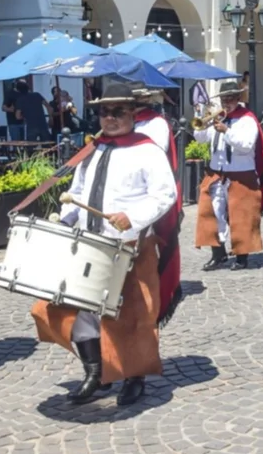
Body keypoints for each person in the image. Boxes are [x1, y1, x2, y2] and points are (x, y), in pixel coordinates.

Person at [32, 82, 177, 406]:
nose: (109, 118)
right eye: (103, 112)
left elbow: (165, 195)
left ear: (132, 113)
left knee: (132, 315)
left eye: (117, 112)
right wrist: (66, 218)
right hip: (90, 244)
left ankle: (133, 377)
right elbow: (78, 191)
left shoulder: (147, 150)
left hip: (129, 245)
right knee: (72, 309)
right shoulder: (91, 149)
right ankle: (95, 372)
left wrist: (134, 217)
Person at [195, 81, 263, 271]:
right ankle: (218, 254)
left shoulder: (247, 119)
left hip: (241, 174)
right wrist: (201, 120)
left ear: (239, 99)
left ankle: (242, 256)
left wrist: (227, 131)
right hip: (216, 173)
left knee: (241, 216)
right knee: (211, 214)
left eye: (231, 98)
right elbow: (201, 138)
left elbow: (246, 145)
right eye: (224, 99)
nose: (227, 102)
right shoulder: (218, 118)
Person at [131, 87, 184, 324]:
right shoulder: (125, 123)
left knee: (148, 252)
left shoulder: (156, 123)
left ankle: (158, 294)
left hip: (147, 195)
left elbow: (156, 153)